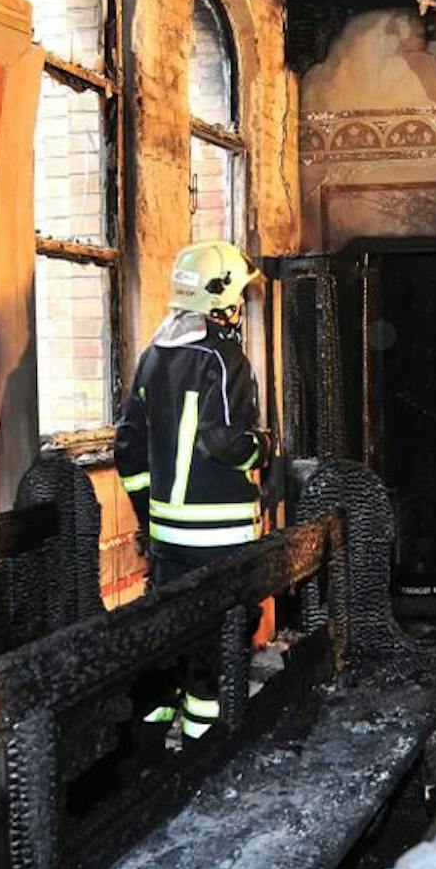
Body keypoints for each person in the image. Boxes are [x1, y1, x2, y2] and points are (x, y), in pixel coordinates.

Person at [114, 239, 274, 741]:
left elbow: (127, 449)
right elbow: (225, 440)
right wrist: (263, 449)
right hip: (220, 541)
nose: (239, 309)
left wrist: (148, 518)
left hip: (167, 542)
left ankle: (147, 756)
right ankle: (205, 753)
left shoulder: (152, 357)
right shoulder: (223, 359)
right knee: (217, 646)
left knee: (166, 641)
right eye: (237, 298)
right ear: (219, 300)